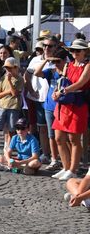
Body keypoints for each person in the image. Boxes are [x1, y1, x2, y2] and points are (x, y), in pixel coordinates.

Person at [50, 39, 90, 181]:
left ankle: (73, 170)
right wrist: (56, 91)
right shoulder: (68, 65)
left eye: (77, 50)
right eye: (72, 50)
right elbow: (62, 80)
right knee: (59, 138)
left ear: (85, 51)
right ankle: (66, 167)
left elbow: (81, 82)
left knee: (74, 139)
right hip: (64, 104)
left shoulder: (88, 66)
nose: (74, 53)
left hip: (78, 104)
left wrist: (64, 91)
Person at [26, 34, 60, 167]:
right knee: (43, 129)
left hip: (56, 101)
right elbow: (27, 76)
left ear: (56, 47)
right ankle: (46, 154)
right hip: (39, 98)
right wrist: (30, 89)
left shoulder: (60, 60)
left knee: (58, 131)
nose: (46, 48)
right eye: (44, 45)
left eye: (50, 46)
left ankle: (58, 156)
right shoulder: (35, 59)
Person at [34, 47, 68, 172]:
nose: (56, 64)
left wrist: (64, 68)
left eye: (58, 61)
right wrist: (46, 60)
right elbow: (37, 73)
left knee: (66, 136)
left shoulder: (67, 72)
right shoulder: (51, 71)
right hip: (49, 106)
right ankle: (54, 159)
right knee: (51, 135)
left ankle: (67, 161)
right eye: (55, 61)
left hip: (64, 107)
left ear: (65, 60)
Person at [0, 57, 24, 161]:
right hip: (2, 106)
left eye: (9, 68)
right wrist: (7, 91)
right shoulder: (3, 78)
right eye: (6, 68)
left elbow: (15, 93)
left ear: (15, 67)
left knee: (11, 131)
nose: (8, 70)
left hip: (13, 107)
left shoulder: (19, 79)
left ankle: (8, 151)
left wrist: (9, 82)